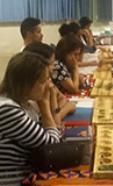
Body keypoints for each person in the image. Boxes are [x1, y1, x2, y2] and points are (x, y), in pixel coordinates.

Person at [0, 52, 60, 185]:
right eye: (43, 81)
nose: (49, 85)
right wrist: (44, 106)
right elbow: (52, 146)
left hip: (29, 175)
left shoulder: (25, 103)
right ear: (26, 83)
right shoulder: (8, 110)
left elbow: (54, 130)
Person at [23, 42, 76, 125]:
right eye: (51, 63)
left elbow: (63, 99)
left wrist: (57, 110)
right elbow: (55, 123)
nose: (55, 66)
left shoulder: (47, 81)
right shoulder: (36, 90)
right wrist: (64, 109)